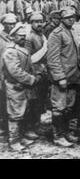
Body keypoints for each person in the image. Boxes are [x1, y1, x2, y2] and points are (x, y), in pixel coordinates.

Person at [2, 25, 42, 151]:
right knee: (15, 115)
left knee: (24, 112)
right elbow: (16, 71)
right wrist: (32, 79)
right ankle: (14, 142)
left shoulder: (22, 48)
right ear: (12, 37)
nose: (23, 38)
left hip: (23, 87)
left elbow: (28, 66)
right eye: (20, 36)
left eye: (24, 35)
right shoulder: (10, 51)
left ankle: (20, 137)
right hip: (15, 87)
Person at [47, 6, 80, 147]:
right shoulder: (56, 34)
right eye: (68, 18)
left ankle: (66, 132)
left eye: (73, 17)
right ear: (62, 19)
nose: (71, 19)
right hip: (61, 78)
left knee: (69, 107)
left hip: (73, 77)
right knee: (58, 108)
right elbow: (52, 59)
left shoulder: (71, 31)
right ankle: (58, 136)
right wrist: (60, 77)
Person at [24, 12, 49, 140]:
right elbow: (28, 59)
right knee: (32, 102)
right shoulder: (29, 38)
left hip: (42, 73)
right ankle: (28, 128)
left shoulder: (42, 35)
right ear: (31, 23)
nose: (39, 24)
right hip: (34, 73)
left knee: (40, 101)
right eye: (36, 21)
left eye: (41, 21)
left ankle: (37, 124)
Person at [0, 13, 18, 143]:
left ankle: (12, 129)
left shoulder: (16, 37)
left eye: (13, 23)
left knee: (12, 102)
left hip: (13, 75)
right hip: (2, 74)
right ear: (3, 24)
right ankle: (3, 127)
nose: (11, 25)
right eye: (9, 23)